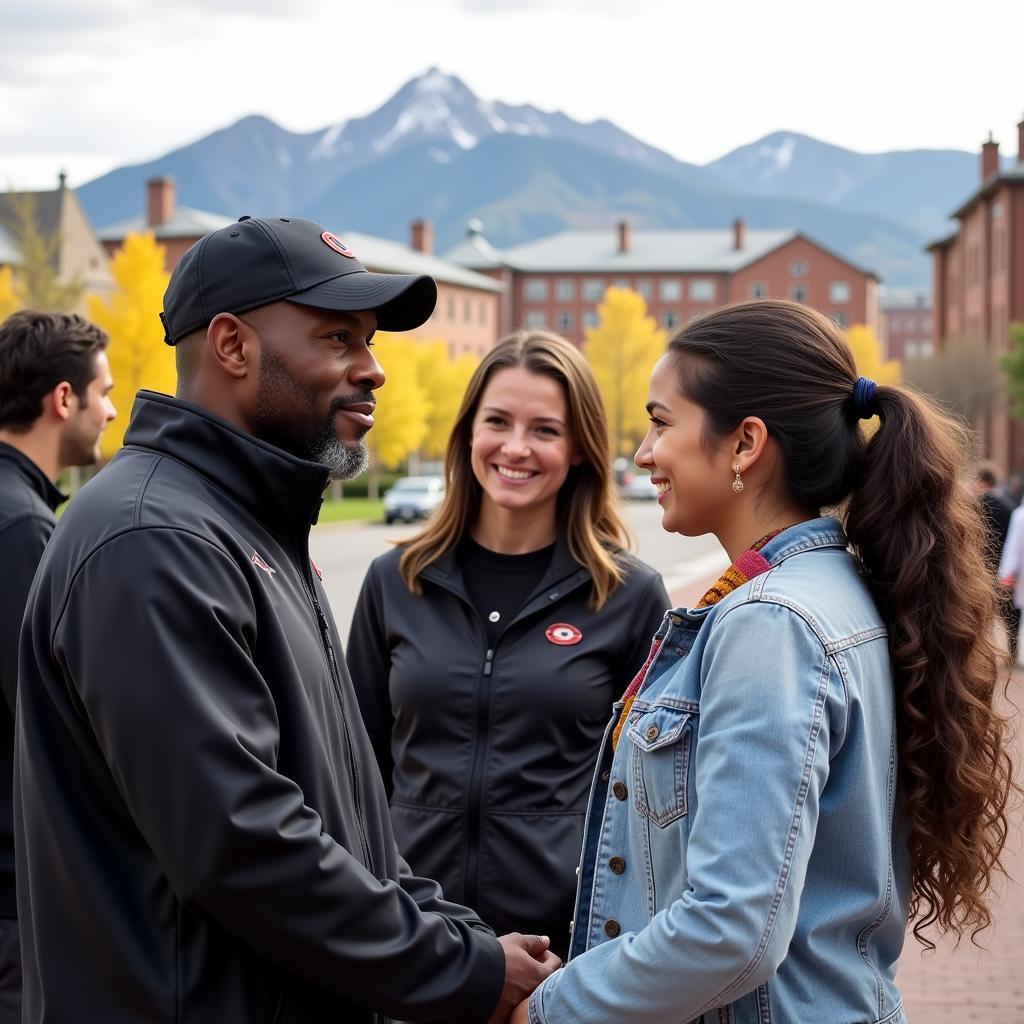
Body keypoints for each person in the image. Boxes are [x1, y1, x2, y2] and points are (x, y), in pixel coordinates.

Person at [14, 217, 558, 1024]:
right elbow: (242, 844)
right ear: (232, 345)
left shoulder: (251, 528)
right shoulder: (152, 540)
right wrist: (467, 969)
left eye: (370, 340)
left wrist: (468, 942)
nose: (372, 370)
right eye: (339, 338)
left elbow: (345, 822)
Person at [512, 300, 1017, 1024]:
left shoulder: (770, 623)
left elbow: (729, 929)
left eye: (661, 422)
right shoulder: (831, 590)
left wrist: (550, 1010)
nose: (646, 452)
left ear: (746, 443)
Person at [348, 330, 669, 960]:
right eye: (497, 421)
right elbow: (354, 768)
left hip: (564, 952)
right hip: (411, 943)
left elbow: (649, 802)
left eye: (545, 430)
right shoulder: (396, 582)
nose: (515, 447)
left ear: (579, 448)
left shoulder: (630, 598)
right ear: (469, 432)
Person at [0, 310, 115, 1022]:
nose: (111, 410)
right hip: (14, 902)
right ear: (62, 399)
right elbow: (55, 719)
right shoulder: (23, 530)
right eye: (102, 391)